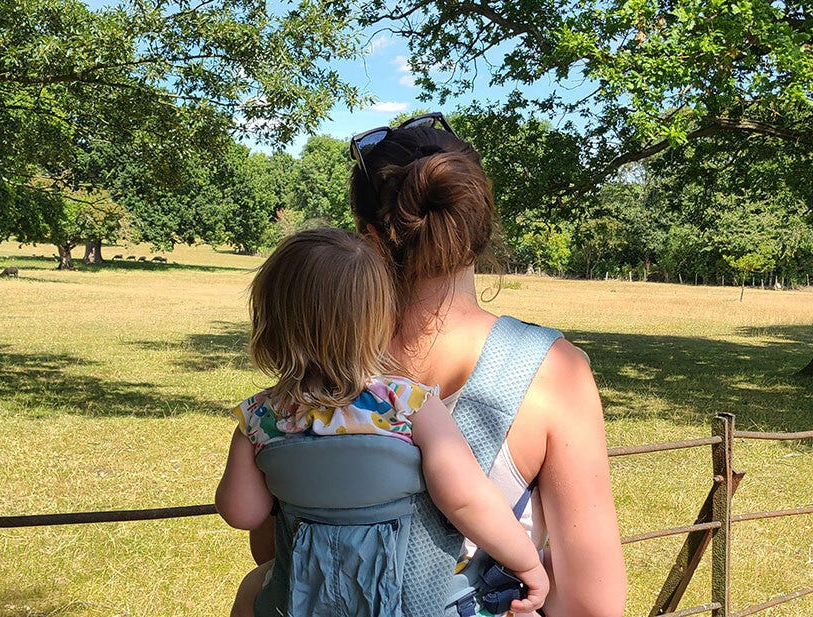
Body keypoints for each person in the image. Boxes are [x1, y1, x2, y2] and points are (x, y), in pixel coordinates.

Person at [235, 113, 627, 617]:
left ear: (370, 239)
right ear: (478, 228)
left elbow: (269, 549)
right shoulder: (554, 373)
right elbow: (591, 607)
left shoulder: (314, 372)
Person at [215, 227, 549, 616]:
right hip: (408, 602)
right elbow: (466, 497)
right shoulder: (408, 403)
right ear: (381, 320)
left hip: (303, 600)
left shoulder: (260, 417)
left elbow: (242, 511)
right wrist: (526, 562)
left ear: (269, 323)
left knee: (252, 589)